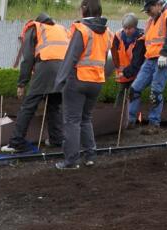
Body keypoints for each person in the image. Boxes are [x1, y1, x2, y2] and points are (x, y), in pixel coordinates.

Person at [54, 0, 111, 170]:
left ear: (84, 9)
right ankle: (90, 156)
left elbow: (71, 57)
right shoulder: (106, 31)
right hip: (97, 82)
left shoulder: (81, 29)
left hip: (78, 80)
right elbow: (110, 58)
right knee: (86, 119)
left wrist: (59, 82)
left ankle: (71, 161)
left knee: (72, 121)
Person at [0, 13, 67, 154]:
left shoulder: (35, 27)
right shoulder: (60, 29)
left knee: (28, 106)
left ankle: (16, 143)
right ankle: (56, 139)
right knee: (55, 106)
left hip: (46, 68)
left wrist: (21, 84)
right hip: (63, 70)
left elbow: (28, 58)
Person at [129, 0, 167, 134]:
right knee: (134, 89)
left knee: (155, 92)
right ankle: (129, 120)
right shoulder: (151, 20)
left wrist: (164, 54)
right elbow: (146, 39)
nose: (147, 12)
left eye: (149, 9)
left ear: (158, 5)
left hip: (163, 59)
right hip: (150, 59)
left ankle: (154, 124)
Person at [112, 13, 145, 107]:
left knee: (133, 93)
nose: (126, 31)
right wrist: (118, 68)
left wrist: (125, 72)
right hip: (122, 72)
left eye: (129, 28)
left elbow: (137, 63)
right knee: (121, 91)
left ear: (135, 27)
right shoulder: (118, 36)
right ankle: (116, 113)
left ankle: (132, 117)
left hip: (135, 73)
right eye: (125, 28)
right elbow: (114, 54)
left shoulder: (140, 39)